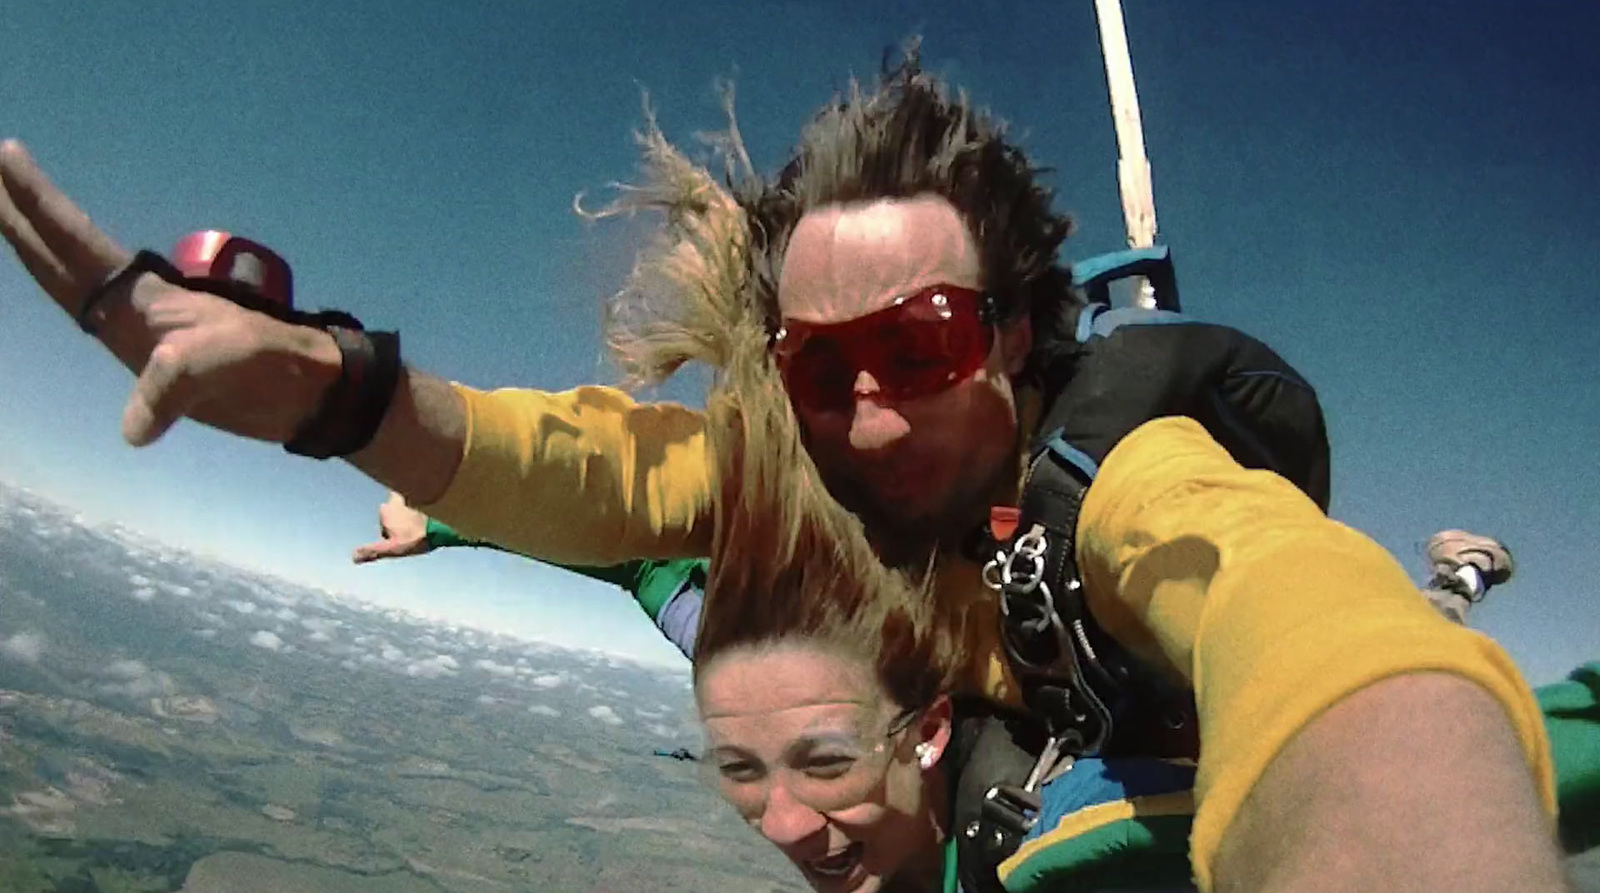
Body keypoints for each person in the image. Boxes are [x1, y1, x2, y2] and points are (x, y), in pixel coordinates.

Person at [0, 47, 1567, 891]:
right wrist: (348, 395)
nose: (871, 415)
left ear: (1020, 335)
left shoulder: (1131, 470)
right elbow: (616, 491)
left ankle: (1462, 577)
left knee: (1456, 662)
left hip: (1170, 725)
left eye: (929, 341)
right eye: (825, 367)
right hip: (984, 725)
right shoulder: (798, 490)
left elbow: (1303, 623)